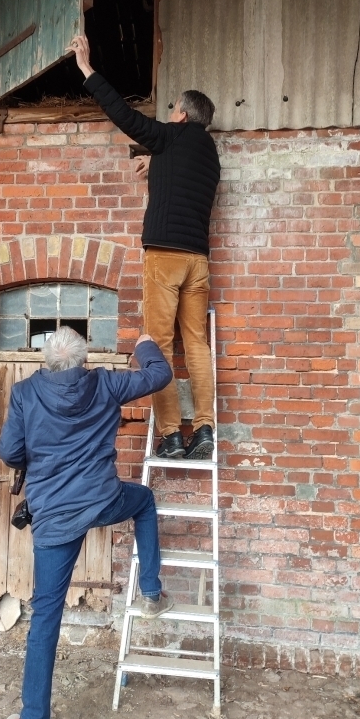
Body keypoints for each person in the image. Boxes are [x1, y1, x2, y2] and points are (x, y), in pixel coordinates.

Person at [0, 326, 173, 719]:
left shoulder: (24, 394)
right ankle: (151, 592)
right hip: (102, 502)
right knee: (145, 501)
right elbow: (159, 374)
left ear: (47, 360)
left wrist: (33, 456)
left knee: (45, 619)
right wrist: (145, 343)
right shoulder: (106, 383)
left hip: (55, 518)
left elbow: (9, 452)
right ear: (82, 360)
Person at [67, 35, 221, 461]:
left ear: (183, 115)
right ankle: (205, 428)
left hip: (165, 258)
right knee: (196, 345)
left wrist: (86, 68)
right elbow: (181, 173)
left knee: (157, 343)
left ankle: (171, 435)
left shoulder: (173, 136)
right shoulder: (209, 154)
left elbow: (124, 115)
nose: (169, 115)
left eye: (172, 109)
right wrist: (155, 164)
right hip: (198, 261)